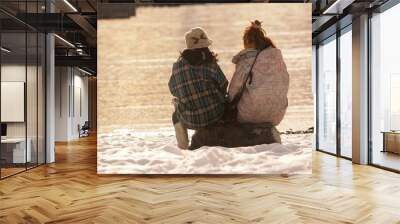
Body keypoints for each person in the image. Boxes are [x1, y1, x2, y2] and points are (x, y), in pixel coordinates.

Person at [228, 20, 289, 143]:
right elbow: (285, 82)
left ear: (248, 41)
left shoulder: (246, 59)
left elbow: (234, 90)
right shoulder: (277, 57)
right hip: (277, 114)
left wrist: (228, 104)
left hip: (249, 115)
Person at [168, 27, 228, 149]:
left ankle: (184, 146)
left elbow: (173, 89)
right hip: (215, 115)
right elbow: (224, 85)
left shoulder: (177, 66)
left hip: (190, 120)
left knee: (175, 114)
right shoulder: (210, 64)